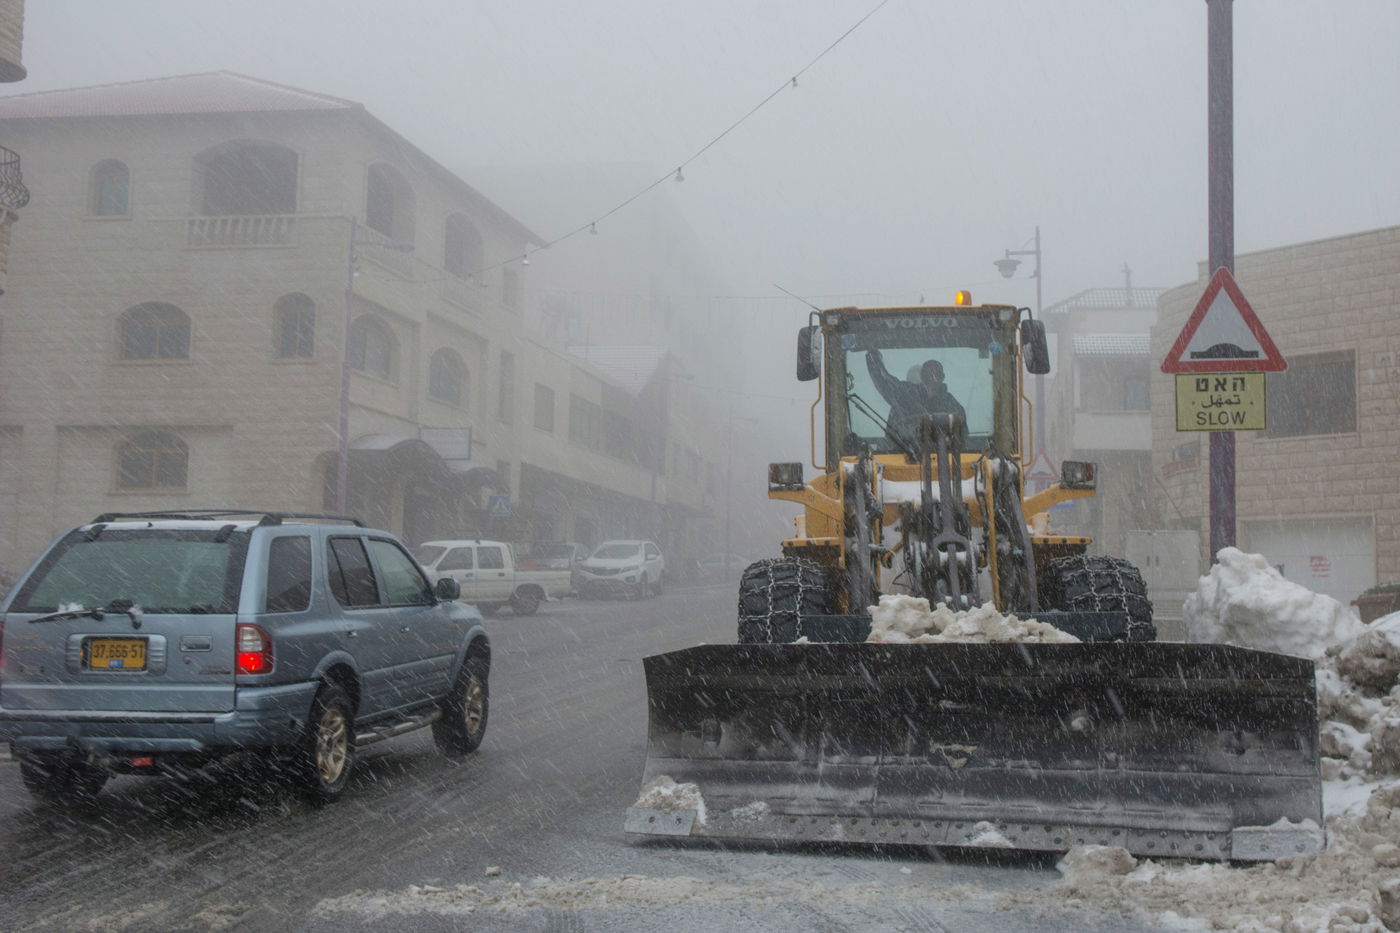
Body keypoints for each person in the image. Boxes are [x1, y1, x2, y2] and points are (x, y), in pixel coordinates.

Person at [865, 348, 968, 452]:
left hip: (946, 462)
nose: (932, 378)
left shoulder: (953, 406)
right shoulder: (904, 396)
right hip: (899, 456)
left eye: (936, 374)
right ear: (922, 376)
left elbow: (962, 441)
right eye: (927, 374)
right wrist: (873, 356)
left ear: (942, 377)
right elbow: (883, 380)